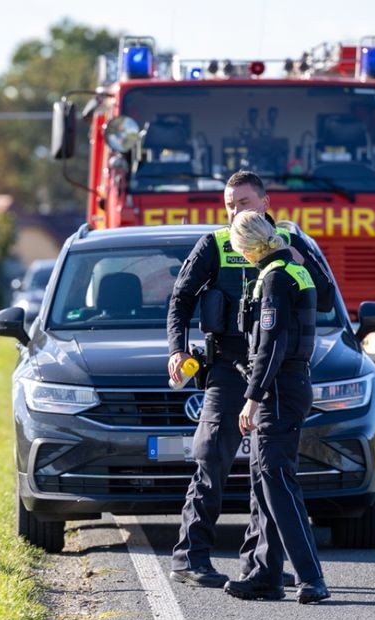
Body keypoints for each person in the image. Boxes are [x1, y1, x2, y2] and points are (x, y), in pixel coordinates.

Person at [165, 172, 269, 588]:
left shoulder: (287, 243)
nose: (234, 211)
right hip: (226, 365)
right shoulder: (214, 243)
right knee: (211, 460)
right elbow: (181, 298)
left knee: (271, 470)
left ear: (263, 201)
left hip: (271, 367)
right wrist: (177, 348)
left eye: (243, 202)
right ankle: (190, 556)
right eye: (229, 204)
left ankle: (262, 564)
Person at [222, 210, 329, 604]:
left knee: (278, 483)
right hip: (289, 385)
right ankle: (265, 575)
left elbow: (272, 344)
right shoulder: (293, 269)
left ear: (247, 247)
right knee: (263, 483)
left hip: (278, 391)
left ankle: (311, 577)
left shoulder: (274, 279)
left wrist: (252, 397)